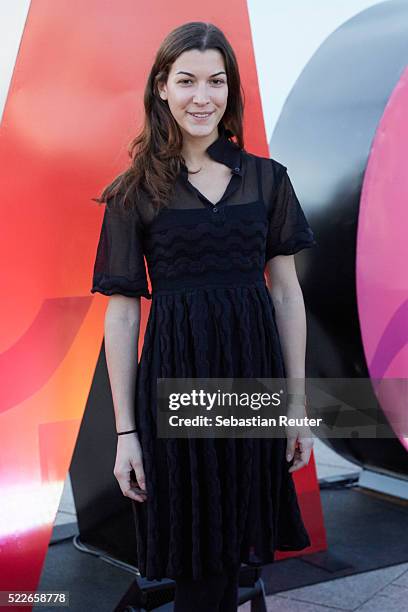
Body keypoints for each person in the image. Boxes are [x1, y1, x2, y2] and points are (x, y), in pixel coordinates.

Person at [90, 21, 317, 612]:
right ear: (162, 88)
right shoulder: (132, 193)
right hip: (175, 383)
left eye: (216, 81)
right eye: (186, 80)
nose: (202, 96)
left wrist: (296, 405)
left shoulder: (268, 181)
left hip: (251, 380)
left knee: (233, 541)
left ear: (230, 90)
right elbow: (121, 319)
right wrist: (124, 434)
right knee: (195, 552)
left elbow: (287, 296)